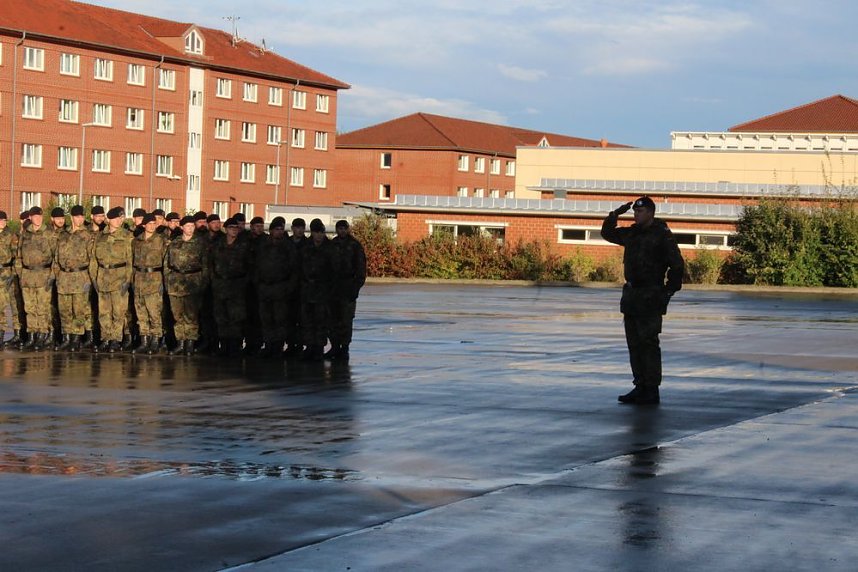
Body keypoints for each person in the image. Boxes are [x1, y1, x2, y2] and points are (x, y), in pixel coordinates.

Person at [601, 196, 684, 405]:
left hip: (651, 295)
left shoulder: (662, 234)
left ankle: (651, 388)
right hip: (632, 296)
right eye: (635, 212)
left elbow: (677, 265)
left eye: (640, 212)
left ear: (650, 213)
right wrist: (614, 215)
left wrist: (668, 292)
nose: (636, 215)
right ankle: (640, 386)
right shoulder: (632, 233)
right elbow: (608, 233)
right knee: (634, 344)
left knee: (649, 344)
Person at [90, 207, 133, 353]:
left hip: (119, 277)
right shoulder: (100, 236)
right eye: (116, 218)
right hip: (103, 277)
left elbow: (130, 261)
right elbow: (94, 260)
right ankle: (106, 338)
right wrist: (94, 277)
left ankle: (115, 339)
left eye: (122, 218)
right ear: (109, 220)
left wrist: (127, 280)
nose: (120, 221)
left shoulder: (127, 236)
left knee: (118, 312)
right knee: (104, 312)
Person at [164, 216, 209, 355]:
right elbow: (167, 263)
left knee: (191, 315)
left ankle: (190, 343)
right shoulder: (174, 242)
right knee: (178, 315)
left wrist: (203, 282)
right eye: (188, 226)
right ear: (182, 227)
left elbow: (206, 265)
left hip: (193, 282)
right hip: (176, 282)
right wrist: (168, 280)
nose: (191, 228)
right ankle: (180, 342)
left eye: (192, 226)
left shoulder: (200, 243)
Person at [16, 206, 58, 351]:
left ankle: (42, 335)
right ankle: (32, 335)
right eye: (35, 216)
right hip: (27, 276)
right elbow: (19, 256)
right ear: (31, 218)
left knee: (42, 308)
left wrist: (52, 276)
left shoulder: (49, 233)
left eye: (40, 216)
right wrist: (20, 274)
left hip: (43, 274)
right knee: (30, 308)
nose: (38, 219)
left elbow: (56, 257)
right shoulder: (25, 234)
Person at [254, 216, 297, 357]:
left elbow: (293, 269)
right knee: (266, 318)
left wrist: (289, 287)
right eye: (276, 229)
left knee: (279, 319)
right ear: (271, 230)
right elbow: (255, 265)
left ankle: (278, 346)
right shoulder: (263, 245)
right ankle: (268, 344)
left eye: (281, 229)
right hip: (265, 287)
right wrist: (258, 283)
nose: (279, 232)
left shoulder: (288, 246)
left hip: (280, 287)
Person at [209, 217, 251, 356]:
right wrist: (214, 280)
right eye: (231, 228)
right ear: (225, 229)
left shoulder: (244, 245)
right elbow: (211, 264)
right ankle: (224, 345)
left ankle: (234, 346)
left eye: (236, 228)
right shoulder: (217, 244)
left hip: (237, 285)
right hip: (220, 285)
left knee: (236, 317)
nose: (234, 230)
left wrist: (244, 283)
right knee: (221, 317)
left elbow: (250, 266)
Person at [55, 205, 93, 351]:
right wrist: (57, 275)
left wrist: (89, 280)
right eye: (77, 216)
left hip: (80, 277)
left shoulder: (87, 235)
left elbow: (92, 259)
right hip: (64, 277)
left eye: (82, 216)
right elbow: (56, 258)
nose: (80, 219)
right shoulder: (63, 235)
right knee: (64, 310)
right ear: (72, 217)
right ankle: (66, 337)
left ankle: (76, 339)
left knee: (79, 310)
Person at [327, 220, 366, 360]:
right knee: (333, 320)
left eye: (344, 228)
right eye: (339, 228)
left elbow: (361, 270)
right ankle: (335, 346)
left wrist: (355, 288)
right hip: (333, 289)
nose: (342, 231)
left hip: (348, 287)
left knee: (346, 320)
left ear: (348, 229)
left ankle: (344, 348)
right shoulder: (332, 245)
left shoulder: (355, 246)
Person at [131, 213, 167, 354]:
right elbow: (132, 261)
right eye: (149, 223)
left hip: (154, 278)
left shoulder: (161, 240)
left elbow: (166, 262)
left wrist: (164, 282)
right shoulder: (136, 241)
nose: (152, 225)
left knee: (154, 312)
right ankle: (144, 341)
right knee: (141, 313)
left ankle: (155, 341)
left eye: (154, 223)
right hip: (139, 278)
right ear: (144, 225)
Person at [300, 218, 333, 361]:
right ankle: (309, 346)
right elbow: (299, 268)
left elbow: (335, 270)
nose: (319, 235)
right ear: (312, 233)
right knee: (307, 320)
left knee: (321, 321)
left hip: (323, 290)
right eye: (316, 232)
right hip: (307, 290)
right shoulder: (306, 247)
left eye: (321, 232)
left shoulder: (330, 248)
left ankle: (319, 347)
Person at [284, 217, 309, 357]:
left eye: (302, 228)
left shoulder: (307, 244)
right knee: (288, 317)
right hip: (288, 286)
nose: (299, 230)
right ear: (292, 228)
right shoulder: (286, 243)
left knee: (302, 318)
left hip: (303, 287)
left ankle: (300, 344)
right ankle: (290, 344)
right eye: (297, 228)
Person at [0, 211, 22, 348]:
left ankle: (2, 335)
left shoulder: (10, 236)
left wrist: (14, 274)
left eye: (4, 220)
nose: (2, 222)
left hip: (6, 273)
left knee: (4, 305)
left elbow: (16, 257)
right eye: (0, 220)